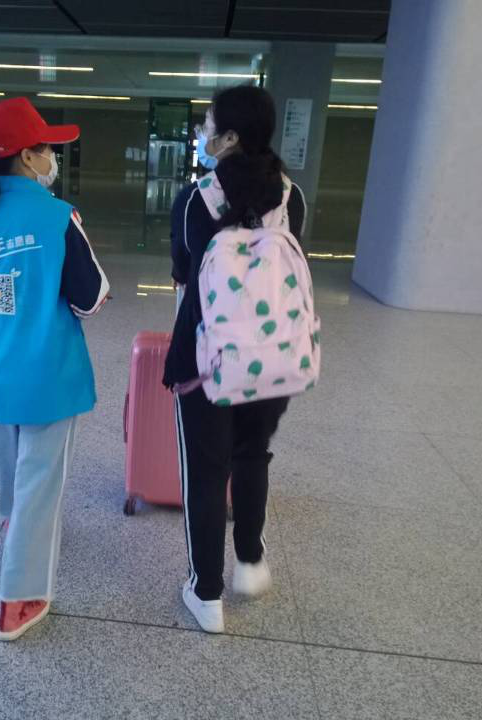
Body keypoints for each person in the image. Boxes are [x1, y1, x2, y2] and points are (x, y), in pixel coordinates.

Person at [0, 97, 109, 641]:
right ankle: (21, 597)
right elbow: (90, 298)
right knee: (40, 477)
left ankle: (10, 521)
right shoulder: (56, 217)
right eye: (48, 148)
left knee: (8, 460)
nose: (53, 157)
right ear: (29, 157)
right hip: (47, 372)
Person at [163, 85, 306, 634]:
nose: (202, 134)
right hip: (272, 355)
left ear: (229, 137)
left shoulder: (195, 198)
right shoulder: (291, 196)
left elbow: (183, 271)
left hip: (205, 355)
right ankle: (249, 561)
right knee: (252, 455)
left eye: (207, 126)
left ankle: (206, 594)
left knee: (206, 471)